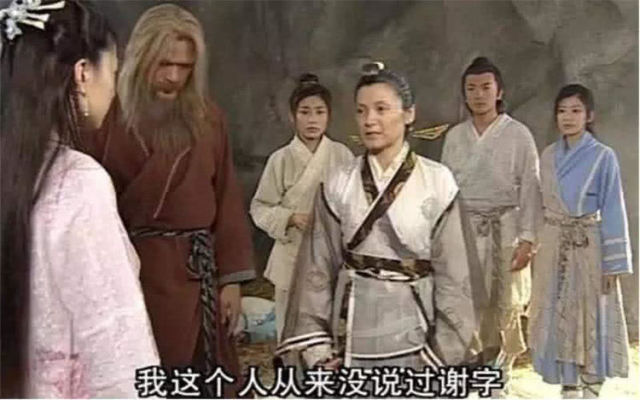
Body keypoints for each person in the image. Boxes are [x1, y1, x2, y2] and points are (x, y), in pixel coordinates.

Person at [80, 4, 255, 395]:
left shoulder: (208, 119)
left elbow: (227, 198)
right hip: (133, 273)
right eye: (164, 64)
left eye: (184, 67)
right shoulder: (107, 117)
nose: (174, 76)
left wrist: (231, 280)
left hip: (197, 275)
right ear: (142, 57)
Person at [0, 0, 159, 397]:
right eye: (113, 72)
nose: (114, 89)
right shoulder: (76, 184)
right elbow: (117, 345)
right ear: (83, 73)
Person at [276, 62, 480, 370]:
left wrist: (444, 348)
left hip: (418, 325)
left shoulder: (438, 181)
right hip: (351, 322)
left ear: (409, 114)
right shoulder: (338, 181)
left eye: (381, 109)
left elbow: (456, 273)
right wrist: (318, 347)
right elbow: (316, 269)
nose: (369, 120)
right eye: (361, 111)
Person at [441, 56, 542, 393]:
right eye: (471, 89)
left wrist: (528, 238)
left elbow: (531, 188)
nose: (479, 95)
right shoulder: (455, 137)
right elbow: (446, 191)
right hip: (466, 229)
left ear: (499, 92)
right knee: (467, 302)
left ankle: (502, 371)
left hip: (507, 228)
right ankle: (472, 369)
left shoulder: (519, 135)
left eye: (486, 87)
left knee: (507, 303)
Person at [528, 84, 632, 399]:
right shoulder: (548, 155)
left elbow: (613, 207)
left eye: (576, 110)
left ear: (589, 116)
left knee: (591, 313)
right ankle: (568, 384)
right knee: (557, 310)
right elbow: (538, 204)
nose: (568, 117)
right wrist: (531, 243)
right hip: (553, 244)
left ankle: (592, 383)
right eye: (562, 111)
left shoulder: (603, 157)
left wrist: (613, 263)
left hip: (588, 247)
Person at [250, 73, 353, 342]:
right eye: (305, 112)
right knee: (290, 330)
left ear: (329, 116)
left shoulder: (341, 155)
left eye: (319, 112)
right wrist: (291, 218)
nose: (312, 119)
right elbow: (260, 207)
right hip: (291, 254)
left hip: (329, 253)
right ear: (292, 116)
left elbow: (354, 205)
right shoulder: (280, 159)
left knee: (327, 331)